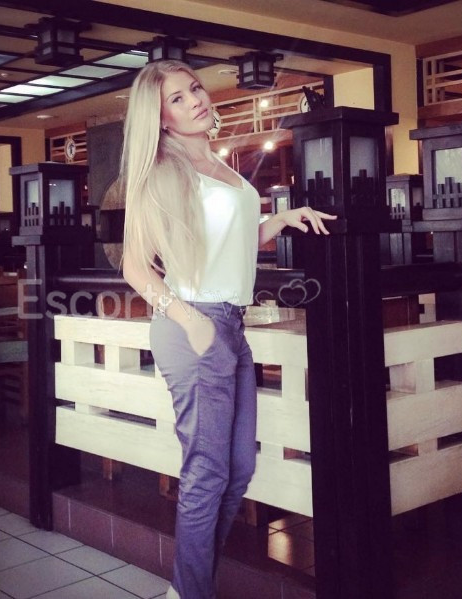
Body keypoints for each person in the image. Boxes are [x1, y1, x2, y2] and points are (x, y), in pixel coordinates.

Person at [121, 59, 336, 599]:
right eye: (177, 98)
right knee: (207, 474)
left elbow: (226, 242)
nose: (195, 99)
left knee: (237, 470)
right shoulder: (161, 171)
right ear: (160, 117)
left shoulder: (215, 163)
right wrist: (190, 321)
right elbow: (134, 266)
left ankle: (188, 589)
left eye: (195, 88)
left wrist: (278, 221)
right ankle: (190, 594)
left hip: (231, 324)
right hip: (193, 323)